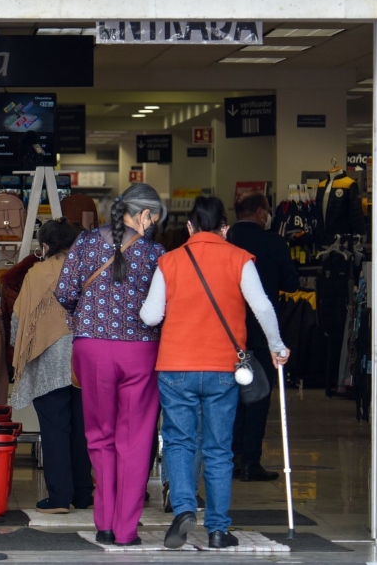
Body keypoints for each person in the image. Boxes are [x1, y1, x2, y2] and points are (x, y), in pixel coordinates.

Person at [140, 196, 290, 550]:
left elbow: (149, 316)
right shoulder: (239, 259)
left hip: (176, 366)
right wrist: (276, 346)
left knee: (179, 440)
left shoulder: (169, 261)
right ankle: (219, 529)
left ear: (190, 226)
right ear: (225, 227)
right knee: (219, 448)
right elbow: (262, 306)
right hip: (224, 367)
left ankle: (183, 509)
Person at [55, 183, 168, 546]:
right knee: (134, 440)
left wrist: (87, 320)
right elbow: (163, 309)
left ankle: (103, 523)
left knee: (99, 436)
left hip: (92, 349)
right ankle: (126, 530)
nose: (154, 225)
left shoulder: (85, 243)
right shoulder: (155, 253)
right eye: (154, 218)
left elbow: (65, 292)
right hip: (140, 351)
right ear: (145, 214)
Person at [10, 219, 93, 514]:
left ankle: (59, 497)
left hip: (50, 363)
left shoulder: (37, 273)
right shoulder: (88, 270)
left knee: (56, 430)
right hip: (86, 360)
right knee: (82, 429)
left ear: (45, 246)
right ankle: (83, 493)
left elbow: (20, 321)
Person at [228, 192, 300, 481]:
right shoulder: (273, 242)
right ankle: (251, 461)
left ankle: (232, 457)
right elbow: (293, 284)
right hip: (261, 332)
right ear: (260, 212)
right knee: (258, 397)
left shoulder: (226, 242)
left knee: (231, 398)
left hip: (229, 334)